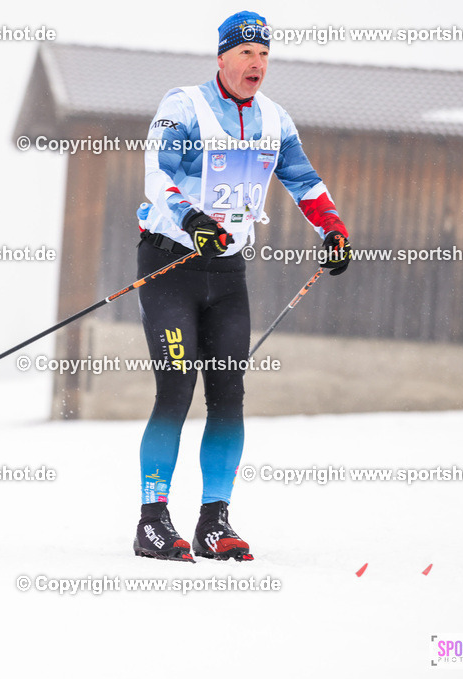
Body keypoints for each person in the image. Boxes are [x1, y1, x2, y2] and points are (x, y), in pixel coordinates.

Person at [133, 11, 351, 562]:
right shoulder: (182, 106)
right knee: (177, 388)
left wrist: (333, 228)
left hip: (227, 274)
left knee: (228, 398)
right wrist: (192, 220)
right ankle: (153, 522)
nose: (257, 64)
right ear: (223, 57)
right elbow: (158, 177)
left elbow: (303, 180)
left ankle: (214, 521)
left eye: (264, 55)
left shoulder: (275, 120)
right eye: (247, 53)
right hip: (171, 265)